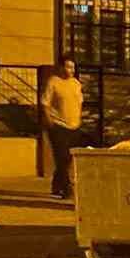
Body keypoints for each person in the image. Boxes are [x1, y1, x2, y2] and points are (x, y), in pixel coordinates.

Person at [41, 55, 84, 201]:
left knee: (67, 159)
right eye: (67, 67)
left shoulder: (76, 84)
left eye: (72, 67)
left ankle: (56, 184)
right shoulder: (53, 82)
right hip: (58, 125)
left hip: (74, 126)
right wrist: (49, 121)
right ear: (60, 67)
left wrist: (79, 119)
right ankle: (67, 189)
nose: (70, 70)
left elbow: (79, 103)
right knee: (62, 157)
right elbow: (45, 103)